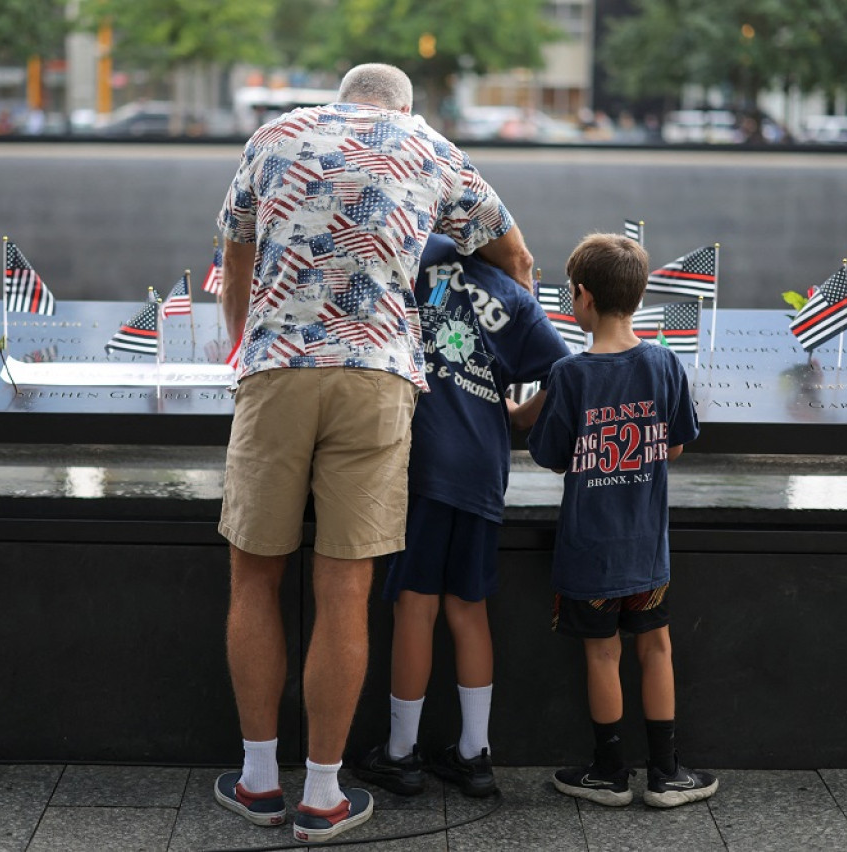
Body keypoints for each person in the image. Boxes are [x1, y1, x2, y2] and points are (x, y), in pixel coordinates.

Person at [213, 63, 533, 843]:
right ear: (403, 106)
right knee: (346, 590)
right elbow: (516, 261)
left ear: (342, 97)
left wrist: (241, 344)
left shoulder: (275, 134)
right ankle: (323, 796)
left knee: (255, 577)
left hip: (278, 369)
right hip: (378, 377)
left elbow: (236, 259)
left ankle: (259, 781)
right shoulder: (432, 149)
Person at [352, 234, 569, 800]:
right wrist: (521, 416)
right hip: (482, 468)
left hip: (421, 464)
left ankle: (401, 755)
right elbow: (567, 372)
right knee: (469, 608)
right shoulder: (512, 293)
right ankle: (475, 755)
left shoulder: (413, 254)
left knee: (414, 607)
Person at [526, 233, 716, 809]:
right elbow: (676, 446)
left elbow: (552, 454)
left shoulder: (569, 373)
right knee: (656, 648)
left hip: (588, 551)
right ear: (636, 297)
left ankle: (609, 773)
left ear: (581, 297)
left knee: (601, 654)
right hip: (646, 550)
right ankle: (666, 773)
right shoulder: (662, 363)